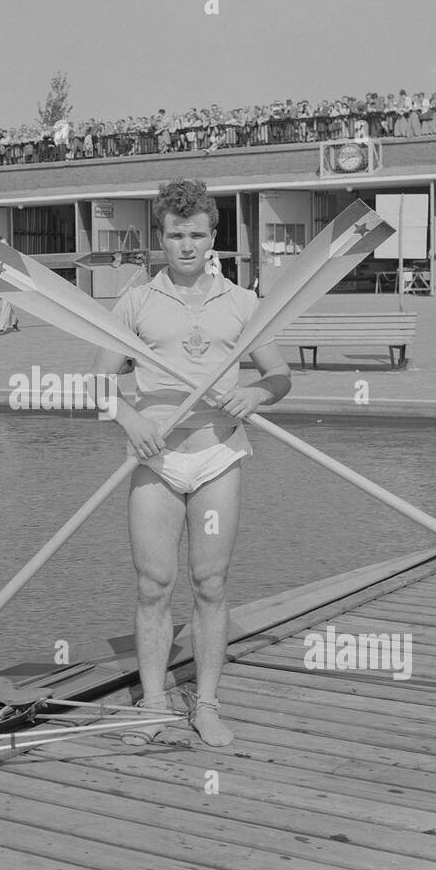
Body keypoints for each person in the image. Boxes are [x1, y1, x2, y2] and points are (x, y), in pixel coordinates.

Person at [91, 179, 292, 747]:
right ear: (161, 237)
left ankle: (206, 702)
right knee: (154, 585)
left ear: (213, 237)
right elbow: (101, 382)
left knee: (210, 583)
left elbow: (278, 375)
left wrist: (256, 394)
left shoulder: (243, 302)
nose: (186, 245)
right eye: (176, 235)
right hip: (154, 460)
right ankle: (153, 703)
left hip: (218, 456)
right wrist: (130, 420)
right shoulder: (133, 303)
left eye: (196, 235)